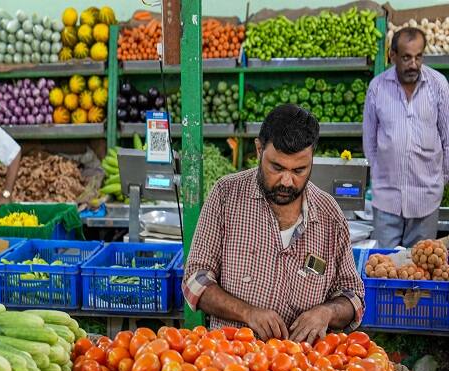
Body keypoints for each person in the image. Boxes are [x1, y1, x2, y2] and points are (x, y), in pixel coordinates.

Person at [183, 104, 365, 343]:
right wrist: (248, 313)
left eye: (299, 170)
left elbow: (353, 298)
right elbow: (195, 281)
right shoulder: (226, 195)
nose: (287, 181)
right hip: (230, 362)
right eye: (276, 168)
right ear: (259, 150)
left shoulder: (329, 217)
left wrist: (326, 312)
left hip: (301, 369)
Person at [363, 27, 449, 248]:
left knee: (420, 272)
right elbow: (370, 141)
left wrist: (441, 180)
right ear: (392, 56)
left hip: (426, 199)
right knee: (384, 270)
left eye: (418, 57)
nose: (413, 64)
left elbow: (447, 138)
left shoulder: (438, 86)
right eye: (406, 57)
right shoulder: (377, 88)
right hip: (386, 201)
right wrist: (380, 176)